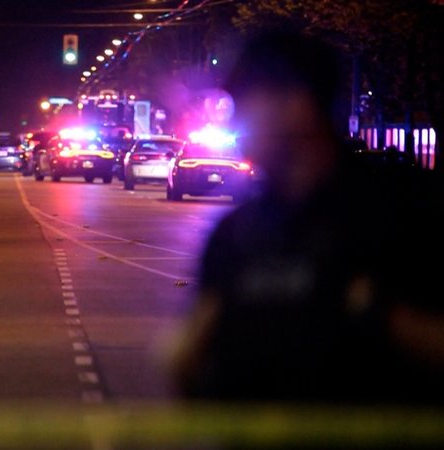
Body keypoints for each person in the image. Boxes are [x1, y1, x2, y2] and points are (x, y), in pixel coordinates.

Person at [170, 30, 444, 404]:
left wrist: (371, 311)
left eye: (245, 103)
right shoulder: (238, 233)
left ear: (298, 104)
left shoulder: (408, 212)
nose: (237, 122)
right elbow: (191, 359)